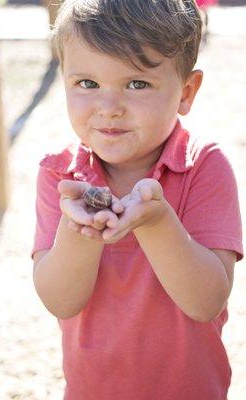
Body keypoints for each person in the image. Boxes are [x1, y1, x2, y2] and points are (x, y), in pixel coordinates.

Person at [32, 1, 243, 399]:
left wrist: (157, 222)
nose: (109, 109)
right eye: (88, 84)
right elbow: (61, 301)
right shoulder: (61, 176)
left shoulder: (203, 167)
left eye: (137, 84)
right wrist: (79, 229)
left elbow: (206, 302)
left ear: (186, 92)